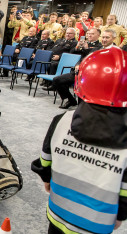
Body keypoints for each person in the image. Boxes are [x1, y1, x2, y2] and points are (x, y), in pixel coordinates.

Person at [31, 47, 127, 234]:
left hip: (59, 212)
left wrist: (46, 179)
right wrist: (121, 214)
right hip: (96, 224)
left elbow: (45, 160)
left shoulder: (61, 120)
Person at [46, 28, 113, 109]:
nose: (104, 39)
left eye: (107, 37)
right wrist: (78, 64)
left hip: (94, 76)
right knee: (57, 80)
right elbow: (82, 58)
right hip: (80, 72)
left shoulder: (113, 50)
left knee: (81, 87)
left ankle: (82, 108)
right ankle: (71, 100)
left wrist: (87, 49)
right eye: (103, 37)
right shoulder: (95, 48)